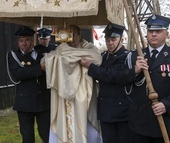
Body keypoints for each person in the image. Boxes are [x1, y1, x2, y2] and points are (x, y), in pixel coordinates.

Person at [42, 25, 103, 143]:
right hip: (63, 98)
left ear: (79, 35)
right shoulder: (60, 49)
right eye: (67, 34)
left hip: (84, 96)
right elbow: (46, 60)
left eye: (72, 35)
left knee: (85, 125)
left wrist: (65, 53)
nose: (69, 38)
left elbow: (97, 58)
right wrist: (64, 52)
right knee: (64, 125)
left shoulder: (89, 47)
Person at [116, 14, 170, 143]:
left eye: (158, 31)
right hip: (139, 123)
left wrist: (167, 104)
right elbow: (119, 79)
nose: (154, 34)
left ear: (167, 34)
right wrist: (134, 71)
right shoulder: (135, 55)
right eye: (151, 31)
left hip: (165, 121)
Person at [79, 22, 132, 143]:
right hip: (105, 111)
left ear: (122, 39)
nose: (110, 43)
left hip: (121, 112)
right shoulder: (103, 56)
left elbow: (111, 75)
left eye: (113, 39)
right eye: (108, 40)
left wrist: (90, 66)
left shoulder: (127, 57)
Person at [7, 26, 50, 143]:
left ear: (32, 40)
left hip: (43, 101)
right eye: (21, 41)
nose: (24, 44)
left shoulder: (42, 52)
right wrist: (39, 68)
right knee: (27, 137)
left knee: (47, 135)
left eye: (26, 40)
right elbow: (18, 74)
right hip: (25, 102)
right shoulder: (13, 55)